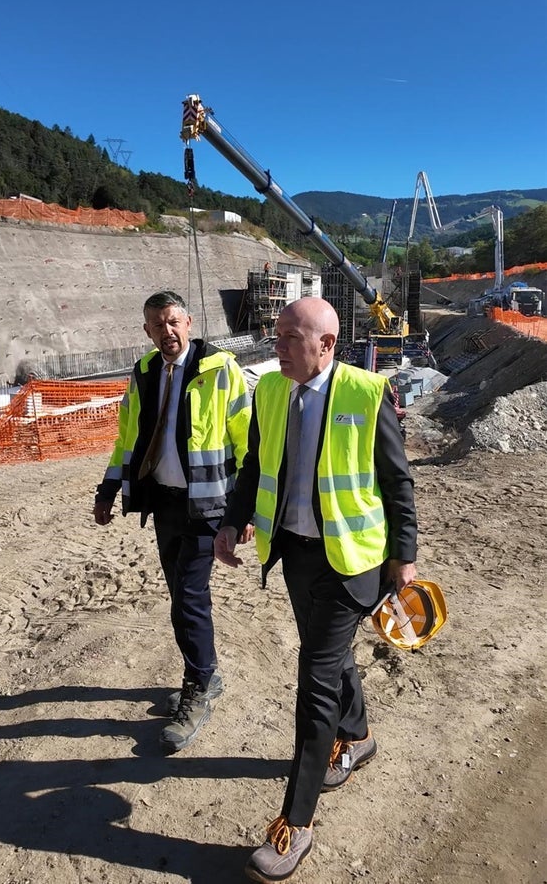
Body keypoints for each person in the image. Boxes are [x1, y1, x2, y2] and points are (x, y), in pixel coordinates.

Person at [214, 297, 417, 883]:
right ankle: (359, 736)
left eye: (286, 337)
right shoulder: (272, 391)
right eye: (275, 335)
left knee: (315, 681)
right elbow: (254, 465)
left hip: (352, 562)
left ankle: (295, 822)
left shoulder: (365, 391)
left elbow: (396, 480)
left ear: (325, 344)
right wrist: (234, 518)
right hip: (296, 555)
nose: (275, 346)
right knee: (330, 662)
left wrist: (404, 556)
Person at [94, 290, 252, 753]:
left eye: (174, 322)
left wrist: (243, 512)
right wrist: (108, 490)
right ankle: (206, 672)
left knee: (187, 597)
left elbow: (248, 442)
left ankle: (199, 687)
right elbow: (127, 438)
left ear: (190, 322)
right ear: (147, 332)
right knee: (182, 594)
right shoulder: (143, 372)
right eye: (157, 326)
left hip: (208, 504)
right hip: (163, 502)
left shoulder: (220, 369)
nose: (167, 332)